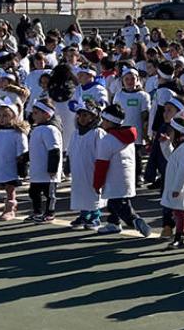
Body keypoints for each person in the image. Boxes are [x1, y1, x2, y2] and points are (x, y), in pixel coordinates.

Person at [94, 103, 151, 236]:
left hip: (114, 178)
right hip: (126, 177)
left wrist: (97, 183)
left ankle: (135, 221)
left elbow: (101, 164)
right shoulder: (127, 137)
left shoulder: (107, 140)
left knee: (118, 204)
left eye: (104, 120)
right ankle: (113, 223)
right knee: (116, 202)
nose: (102, 123)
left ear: (110, 121)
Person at [161, 116, 184, 248]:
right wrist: (165, 144)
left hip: (183, 187)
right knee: (178, 212)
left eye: (170, 131)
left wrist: (177, 188)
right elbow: (170, 158)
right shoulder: (180, 147)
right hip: (177, 187)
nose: (168, 134)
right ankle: (180, 235)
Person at [68, 99, 106, 229]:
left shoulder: (97, 133)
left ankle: (95, 216)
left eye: (85, 115)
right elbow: (71, 150)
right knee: (81, 191)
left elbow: (102, 152)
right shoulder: (76, 133)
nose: (81, 118)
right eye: (79, 115)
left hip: (92, 169)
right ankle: (84, 215)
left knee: (93, 192)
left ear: (93, 116)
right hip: (78, 168)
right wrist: (68, 165)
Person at [26, 100, 63, 223]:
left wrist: (52, 169)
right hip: (37, 170)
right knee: (34, 192)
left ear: (47, 114)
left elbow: (54, 151)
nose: (33, 115)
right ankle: (37, 212)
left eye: (36, 113)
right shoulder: (36, 129)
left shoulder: (50, 130)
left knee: (49, 194)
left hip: (48, 172)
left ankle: (49, 213)